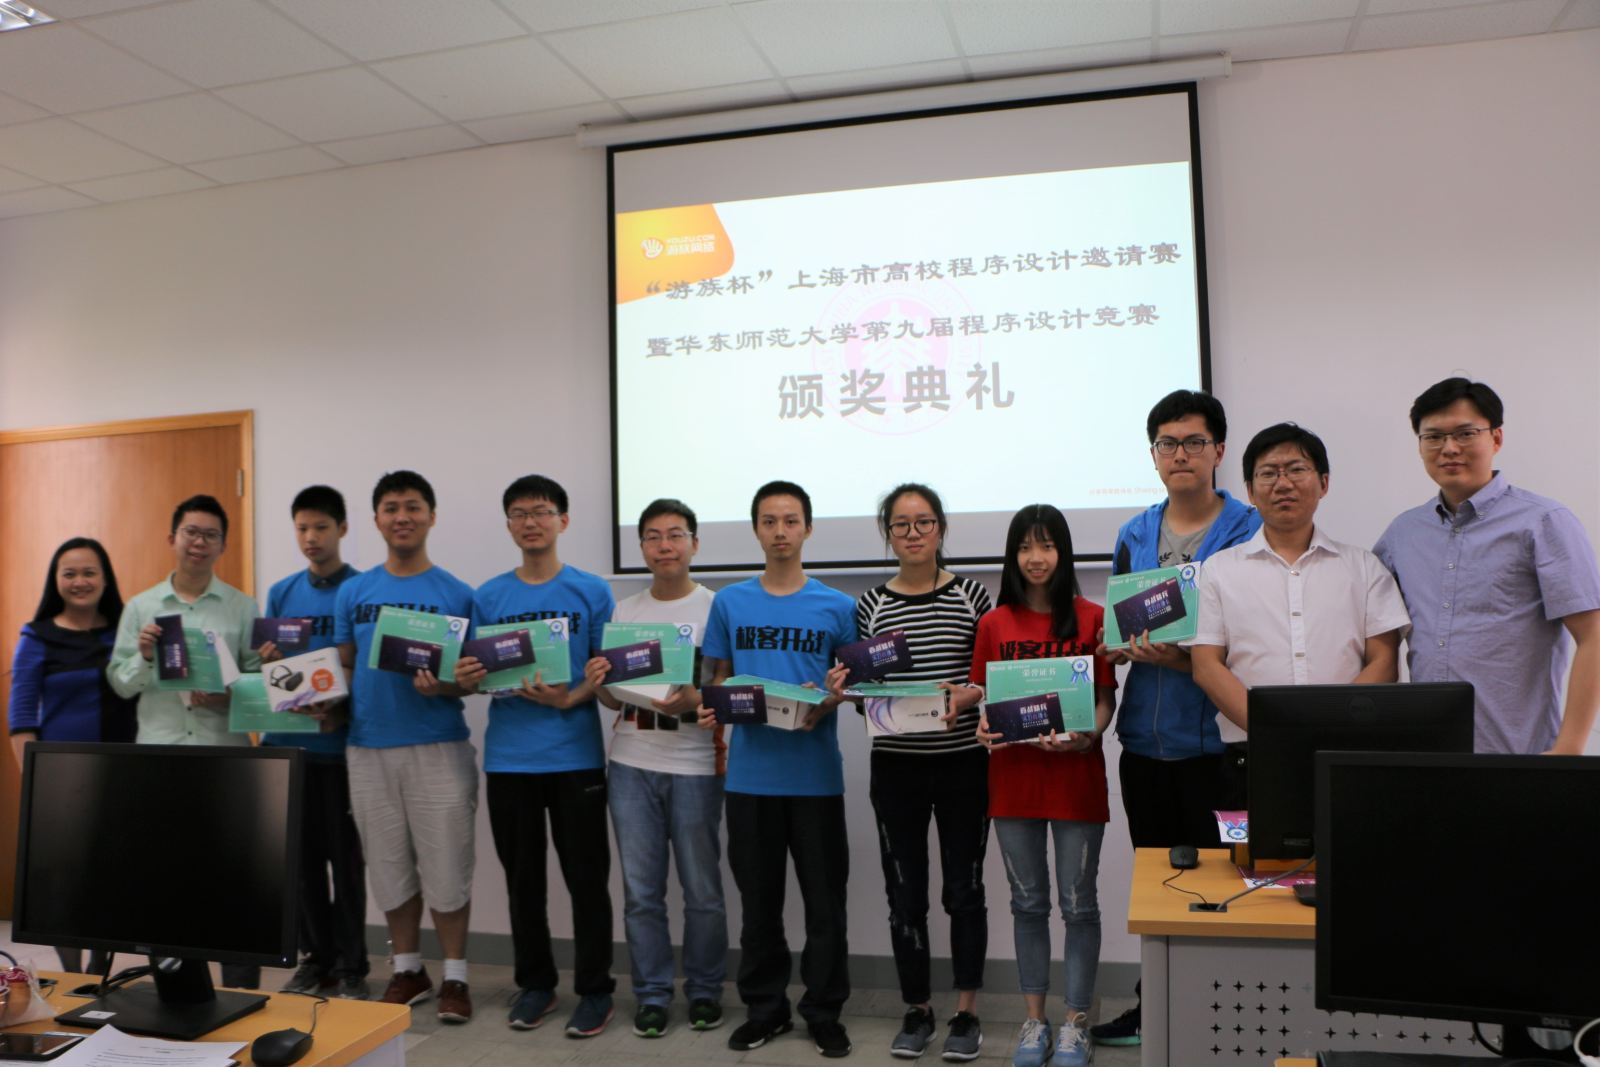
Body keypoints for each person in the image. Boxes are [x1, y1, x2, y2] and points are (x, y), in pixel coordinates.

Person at [1091, 390, 1259, 1050]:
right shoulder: (1135, 533)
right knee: (1159, 886)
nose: (1180, 454)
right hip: (1144, 744)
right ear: (1154, 454)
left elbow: (1257, 636)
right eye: (1167, 443)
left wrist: (1187, 658)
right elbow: (1121, 619)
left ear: (1219, 450)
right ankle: (1155, 1010)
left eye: (1193, 441)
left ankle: (1226, 1020)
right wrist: (1116, 645)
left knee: (1228, 885)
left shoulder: (1247, 530)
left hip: (1221, 748)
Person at [824, 484, 991, 1060]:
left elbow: (990, 676)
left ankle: (966, 1012)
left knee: (965, 891)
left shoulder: (972, 595)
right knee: (905, 895)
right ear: (888, 534)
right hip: (895, 769)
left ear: (941, 528)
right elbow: (865, 695)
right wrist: (845, 691)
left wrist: (973, 694)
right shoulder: (871, 605)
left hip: (963, 765)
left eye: (923, 522)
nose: (913, 533)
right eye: (901, 524)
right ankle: (917, 1009)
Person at [696, 480, 857, 1058]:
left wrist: (829, 702)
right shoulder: (730, 603)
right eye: (769, 521)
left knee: (825, 907)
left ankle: (823, 1012)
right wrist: (714, 703)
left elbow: (852, 688)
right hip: (750, 780)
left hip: (816, 779)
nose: (780, 531)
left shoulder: (838, 606)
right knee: (759, 907)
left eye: (791, 520)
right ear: (756, 530)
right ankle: (765, 1010)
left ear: (808, 528)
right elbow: (715, 679)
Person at [455, 475, 617, 1037]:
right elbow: (476, 676)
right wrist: (466, 677)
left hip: (575, 757)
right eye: (520, 513)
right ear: (508, 525)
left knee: (587, 880)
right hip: (510, 761)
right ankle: (536, 985)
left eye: (542, 511)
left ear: (562, 521)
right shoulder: (488, 596)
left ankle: (595, 990)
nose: (531, 522)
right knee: (523, 883)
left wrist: (570, 696)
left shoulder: (591, 591)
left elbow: (606, 672)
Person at [1374, 377, 1600, 755]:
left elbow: (1593, 636)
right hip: (1425, 757)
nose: (1449, 448)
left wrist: (1569, 748)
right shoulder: (1403, 533)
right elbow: (1375, 635)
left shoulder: (1543, 522)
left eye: (1465, 434)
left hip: (1520, 757)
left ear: (1496, 438)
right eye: (1434, 437)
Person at [970, 505, 1115, 1067]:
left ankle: (1076, 1023)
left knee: (1079, 906)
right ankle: (1035, 1021)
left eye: (1047, 545)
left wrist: (1089, 736)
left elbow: (1104, 699)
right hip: (1014, 783)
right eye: (1026, 547)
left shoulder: (1092, 618)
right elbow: (985, 701)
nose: (1036, 558)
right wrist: (983, 728)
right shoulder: (994, 624)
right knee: (1027, 904)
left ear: (1063, 552)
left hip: (1077, 780)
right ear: (1012, 556)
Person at [333, 471, 477, 1022]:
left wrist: (444, 686)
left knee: (447, 865)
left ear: (431, 516)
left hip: (438, 747)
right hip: (367, 748)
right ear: (376, 520)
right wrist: (321, 701)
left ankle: (456, 976)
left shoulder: (457, 593)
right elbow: (345, 665)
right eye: (391, 507)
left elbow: (473, 679)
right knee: (388, 865)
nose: (402, 517)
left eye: (413, 506)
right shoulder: (355, 591)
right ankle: (408, 969)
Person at [583, 498, 726, 1040]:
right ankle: (651, 995)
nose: (665, 546)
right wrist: (599, 684)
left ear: (694, 543)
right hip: (630, 764)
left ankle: (706, 991)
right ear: (641, 546)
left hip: (696, 764)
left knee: (702, 892)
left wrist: (696, 700)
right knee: (642, 893)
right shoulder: (625, 612)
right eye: (653, 536)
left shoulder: (717, 608)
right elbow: (615, 701)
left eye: (675, 535)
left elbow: (726, 688)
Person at [109, 493, 261, 989]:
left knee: (233, 877)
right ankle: (177, 988)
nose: (199, 542)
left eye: (211, 535)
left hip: (225, 758)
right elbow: (120, 684)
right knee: (166, 877)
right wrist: (144, 655)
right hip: (161, 757)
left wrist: (228, 694)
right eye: (191, 532)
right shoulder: (141, 607)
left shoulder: (242, 606)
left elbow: (258, 686)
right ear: (172, 538)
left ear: (223, 546)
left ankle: (241, 989)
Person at [1189, 424, 1410, 764]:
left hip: (1345, 751)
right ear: (1250, 491)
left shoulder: (1364, 567)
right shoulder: (1219, 570)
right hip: (1252, 753)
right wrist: (1275, 730)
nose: (1283, 484)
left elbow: (1384, 662)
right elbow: (1206, 666)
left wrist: (1333, 728)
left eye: (1296, 469)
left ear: (1324, 483)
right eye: (1268, 473)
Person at [260, 486, 370, 1000]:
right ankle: (315, 959)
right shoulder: (281, 592)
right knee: (301, 865)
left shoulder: (361, 589)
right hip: (289, 746)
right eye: (302, 527)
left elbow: (363, 665)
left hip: (339, 749)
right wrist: (267, 660)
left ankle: (351, 965)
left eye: (321, 527)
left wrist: (338, 704)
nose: (311, 537)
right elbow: (273, 669)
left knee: (344, 863)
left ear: (342, 529)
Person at [9, 536, 136, 975]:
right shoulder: (37, 636)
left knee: (112, 877)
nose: (80, 581)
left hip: (123, 773)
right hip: (62, 781)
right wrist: (37, 787)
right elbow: (21, 717)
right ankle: (72, 976)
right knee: (65, 881)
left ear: (105, 579)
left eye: (89, 572)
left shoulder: (125, 631)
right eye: (70, 573)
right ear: (56, 580)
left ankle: (100, 971)